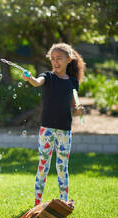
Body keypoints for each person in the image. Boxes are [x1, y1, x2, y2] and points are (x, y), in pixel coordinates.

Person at [22, 43, 85, 206]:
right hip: (47, 128)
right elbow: (37, 82)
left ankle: (64, 202)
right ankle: (37, 203)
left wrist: (79, 110)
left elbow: (74, 106)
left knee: (62, 166)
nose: (55, 62)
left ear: (68, 60)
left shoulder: (72, 82)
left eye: (59, 59)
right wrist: (30, 78)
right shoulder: (48, 77)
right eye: (53, 59)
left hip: (64, 130)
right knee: (43, 164)